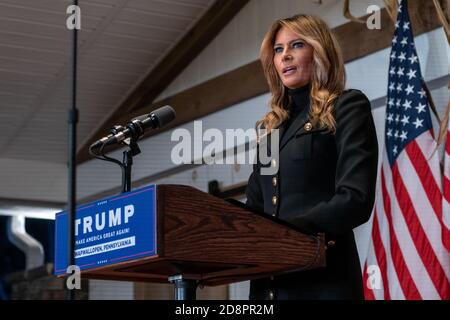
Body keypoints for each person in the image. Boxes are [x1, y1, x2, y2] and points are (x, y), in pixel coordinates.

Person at [245, 14, 379, 300]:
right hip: (270, 286)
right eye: (278, 50)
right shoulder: (268, 129)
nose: (285, 56)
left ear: (319, 51)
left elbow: (355, 198)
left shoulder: (347, 106)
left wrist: (285, 233)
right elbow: (255, 208)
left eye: (296, 45)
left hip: (325, 281)